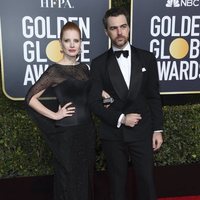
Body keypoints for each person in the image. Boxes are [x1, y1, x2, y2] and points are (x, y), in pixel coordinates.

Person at [89, 7, 163, 200]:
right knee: (116, 186)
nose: (119, 32)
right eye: (113, 28)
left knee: (147, 182)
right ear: (106, 32)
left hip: (143, 131)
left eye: (123, 26)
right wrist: (121, 118)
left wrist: (157, 129)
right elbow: (94, 103)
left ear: (129, 28)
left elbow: (154, 96)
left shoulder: (147, 58)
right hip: (113, 135)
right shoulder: (97, 64)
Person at [25, 22, 95, 200]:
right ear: (60, 44)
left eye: (76, 40)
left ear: (80, 44)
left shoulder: (85, 69)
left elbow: (89, 94)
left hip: (87, 132)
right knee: (68, 178)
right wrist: (55, 115)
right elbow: (30, 98)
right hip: (67, 134)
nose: (72, 45)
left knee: (86, 176)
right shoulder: (55, 71)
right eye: (67, 40)